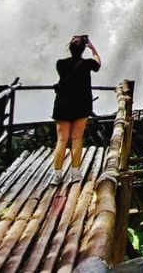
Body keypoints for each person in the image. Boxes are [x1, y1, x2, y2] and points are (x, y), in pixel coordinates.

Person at [50, 34, 101, 185]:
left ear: (70, 48)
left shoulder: (60, 63)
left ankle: (57, 175)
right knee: (76, 138)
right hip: (81, 104)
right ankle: (75, 174)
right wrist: (92, 48)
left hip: (63, 103)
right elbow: (98, 62)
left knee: (61, 140)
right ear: (83, 49)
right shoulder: (88, 64)